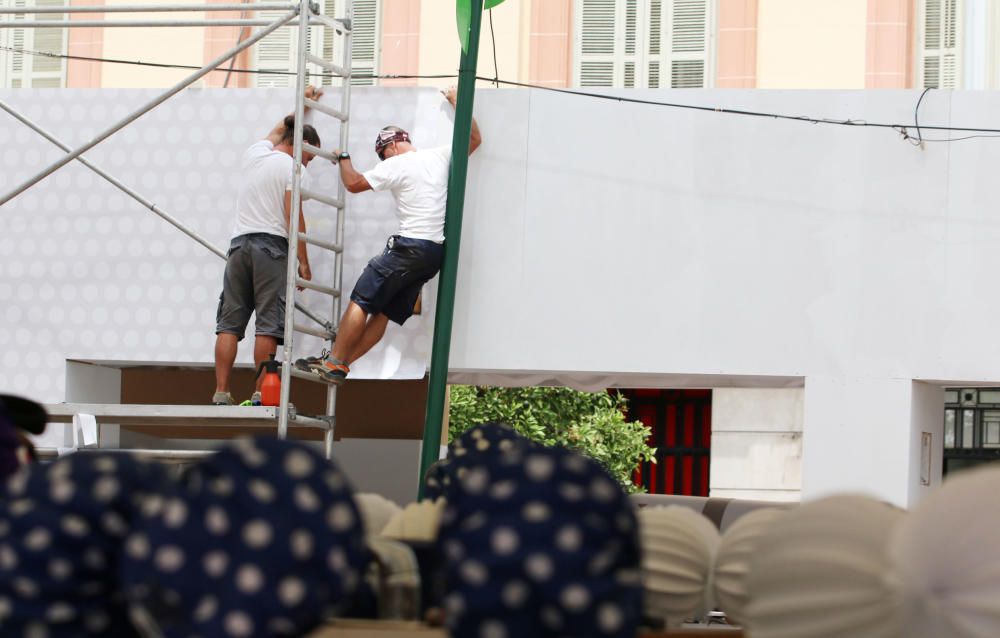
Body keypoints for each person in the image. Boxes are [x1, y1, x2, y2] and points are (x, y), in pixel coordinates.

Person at [297, 87, 481, 384]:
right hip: (433, 254)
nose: (383, 162)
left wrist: (343, 157)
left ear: (393, 145)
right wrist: (458, 100)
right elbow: (474, 138)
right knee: (382, 314)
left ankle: (334, 362)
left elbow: (354, 183)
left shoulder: (397, 163)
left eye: (382, 155)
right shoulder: (439, 157)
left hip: (409, 246)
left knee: (361, 299)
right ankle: (340, 364)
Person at [212, 87, 322, 406]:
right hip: (271, 247)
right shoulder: (293, 169)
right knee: (268, 324)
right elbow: (293, 216)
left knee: (229, 323)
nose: (309, 163)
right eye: (310, 156)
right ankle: (261, 393)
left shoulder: (255, 154)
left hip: (238, 246)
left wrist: (301, 107)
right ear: (300, 147)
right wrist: (304, 262)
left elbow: (278, 129)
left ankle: (221, 391)